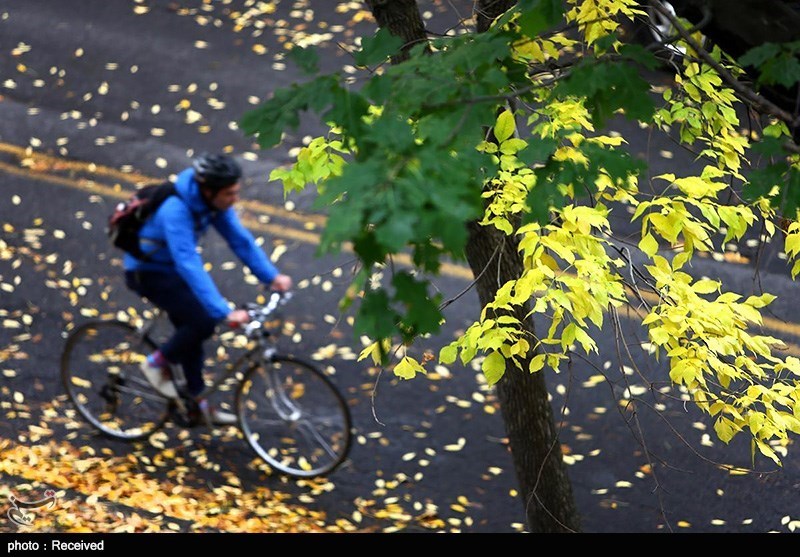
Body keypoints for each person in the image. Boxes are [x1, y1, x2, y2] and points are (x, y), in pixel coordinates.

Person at [124, 153, 292, 425]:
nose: (234, 199)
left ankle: (194, 404)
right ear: (208, 190)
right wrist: (224, 311)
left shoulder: (211, 202)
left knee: (192, 332)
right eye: (229, 194)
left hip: (172, 269)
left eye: (236, 191)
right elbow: (188, 262)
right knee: (202, 322)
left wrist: (271, 276)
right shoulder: (175, 209)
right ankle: (155, 364)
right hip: (148, 272)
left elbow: (240, 240)